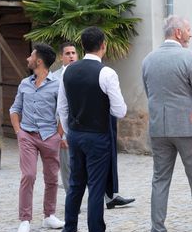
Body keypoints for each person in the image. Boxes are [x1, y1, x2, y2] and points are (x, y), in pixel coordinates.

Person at [141, 15, 192, 232]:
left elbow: (149, 92)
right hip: (187, 128)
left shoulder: (148, 60)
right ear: (178, 33)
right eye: (188, 30)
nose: (191, 34)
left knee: (159, 179)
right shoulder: (191, 57)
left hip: (159, 128)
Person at [58, 27, 128, 232]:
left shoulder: (67, 71)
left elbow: (62, 107)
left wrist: (70, 132)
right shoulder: (107, 73)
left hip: (76, 134)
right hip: (98, 134)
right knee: (96, 186)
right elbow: (120, 110)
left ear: (82, 46)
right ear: (103, 45)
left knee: (76, 184)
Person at [53, 41, 135, 210]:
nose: (71, 56)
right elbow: (60, 107)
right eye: (67, 53)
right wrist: (64, 133)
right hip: (79, 131)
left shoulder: (85, 72)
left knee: (88, 178)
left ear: (79, 53)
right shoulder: (60, 76)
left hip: (82, 130)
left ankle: (108, 198)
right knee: (77, 178)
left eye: (73, 53)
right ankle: (91, 229)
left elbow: (65, 106)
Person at [9, 43, 64, 232]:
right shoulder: (24, 84)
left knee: (52, 178)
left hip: (50, 137)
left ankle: (49, 215)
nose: (28, 59)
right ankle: (25, 220)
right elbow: (14, 109)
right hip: (28, 136)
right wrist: (19, 132)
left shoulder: (57, 85)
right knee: (29, 175)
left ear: (38, 61)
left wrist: (58, 135)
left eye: (31, 56)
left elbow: (64, 112)